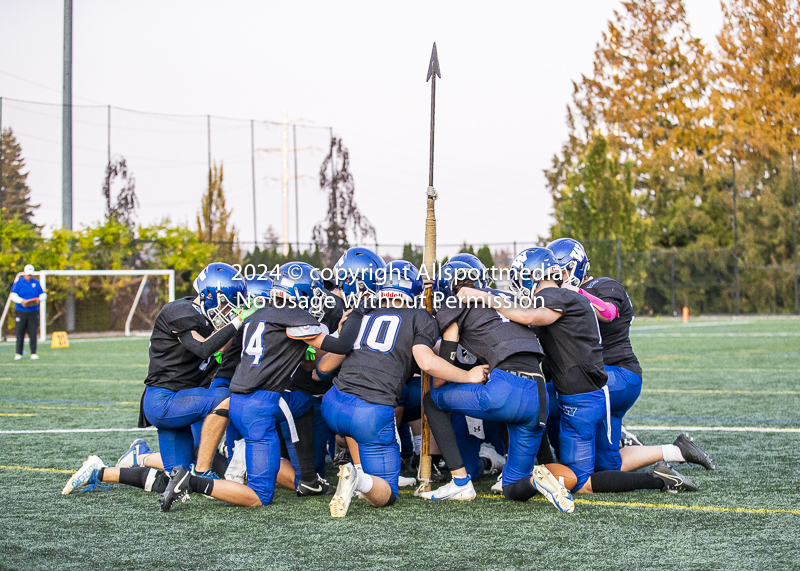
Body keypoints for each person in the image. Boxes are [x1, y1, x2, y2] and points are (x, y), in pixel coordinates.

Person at [459, 248, 698, 495]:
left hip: (579, 402)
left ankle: (657, 480)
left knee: (581, 483)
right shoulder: (567, 297)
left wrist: (483, 296)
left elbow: (528, 315)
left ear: (533, 276)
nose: (520, 287)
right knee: (546, 415)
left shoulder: (555, 297)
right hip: (588, 395)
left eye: (521, 280)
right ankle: (538, 466)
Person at [157, 262, 361, 511]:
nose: (317, 299)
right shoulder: (294, 317)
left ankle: (303, 477)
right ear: (299, 292)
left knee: (302, 403)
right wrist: (357, 314)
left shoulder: (257, 312)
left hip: (239, 400)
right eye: (313, 292)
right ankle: (192, 481)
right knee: (259, 496)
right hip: (260, 406)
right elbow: (340, 347)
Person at [317, 260, 489, 517]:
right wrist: (468, 374)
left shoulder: (363, 314)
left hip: (332, 404)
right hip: (370, 412)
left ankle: (356, 467)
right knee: (386, 494)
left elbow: (323, 368)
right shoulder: (420, 316)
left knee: (353, 426)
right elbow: (426, 362)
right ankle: (358, 478)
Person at [63, 263, 248, 499]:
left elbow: (219, 346)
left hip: (179, 400)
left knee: (178, 483)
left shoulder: (206, 318)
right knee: (225, 398)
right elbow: (202, 348)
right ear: (208, 294)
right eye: (226, 302)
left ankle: (99, 472)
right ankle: (205, 470)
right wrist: (238, 321)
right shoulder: (180, 311)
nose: (229, 309)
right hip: (165, 401)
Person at [547, 238, 714, 473]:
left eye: (562, 271)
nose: (558, 278)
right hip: (596, 381)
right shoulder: (559, 297)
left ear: (577, 266)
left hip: (618, 375)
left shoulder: (603, 285)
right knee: (608, 467)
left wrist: (576, 292)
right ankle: (675, 450)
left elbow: (608, 312)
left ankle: (532, 464)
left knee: (542, 398)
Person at [422, 260, 574, 513]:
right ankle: (538, 481)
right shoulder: (506, 298)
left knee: (431, 399)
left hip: (505, 389)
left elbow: (439, 378)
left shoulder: (456, 305)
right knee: (513, 488)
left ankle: (460, 481)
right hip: (538, 396)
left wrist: (465, 374)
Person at [10, 264, 46, 360]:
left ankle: (33, 352)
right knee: (20, 332)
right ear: (24, 273)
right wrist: (21, 301)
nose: (29, 276)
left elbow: (43, 294)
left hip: (33, 312)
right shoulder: (19, 283)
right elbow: (13, 295)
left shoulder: (36, 283)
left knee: (33, 332)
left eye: (30, 274)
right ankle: (18, 352)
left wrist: (39, 299)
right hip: (21, 311)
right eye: (27, 274)